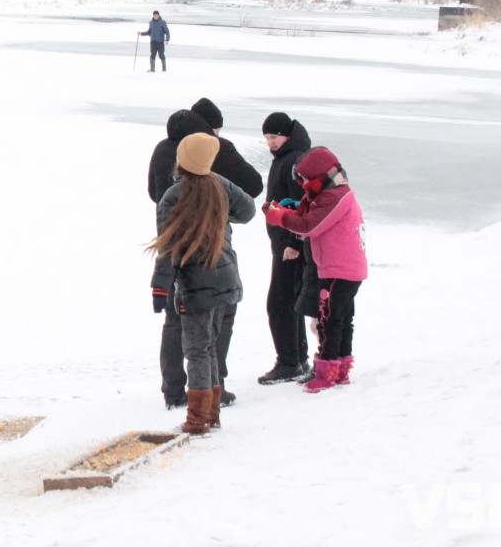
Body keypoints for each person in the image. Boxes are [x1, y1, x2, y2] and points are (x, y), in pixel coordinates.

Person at [147, 104, 262, 409]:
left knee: (178, 326)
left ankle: (175, 392)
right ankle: (213, 394)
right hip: (217, 260)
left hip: (180, 262)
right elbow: (251, 198)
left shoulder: (164, 159)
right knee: (211, 333)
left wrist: (160, 284)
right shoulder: (216, 175)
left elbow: (153, 196)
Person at [264, 147, 366, 392]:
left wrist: (278, 217)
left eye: (307, 180)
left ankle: (326, 372)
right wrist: (288, 210)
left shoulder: (334, 197)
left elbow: (310, 226)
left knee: (327, 321)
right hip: (346, 268)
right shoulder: (335, 192)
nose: (304, 185)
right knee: (341, 319)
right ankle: (340, 369)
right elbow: (311, 216)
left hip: (336, 271)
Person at [257, 112, 313, 385]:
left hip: (290, 245)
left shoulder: (293, 160)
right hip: (285, 242)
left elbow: (299, 204)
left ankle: (290, 362)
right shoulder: (288, 157)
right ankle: (298, 359)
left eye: (274, 137)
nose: (270, 142)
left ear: (287, 135)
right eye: (267, 138)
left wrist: (292, 243)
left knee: (279, 304)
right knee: (289, 302)